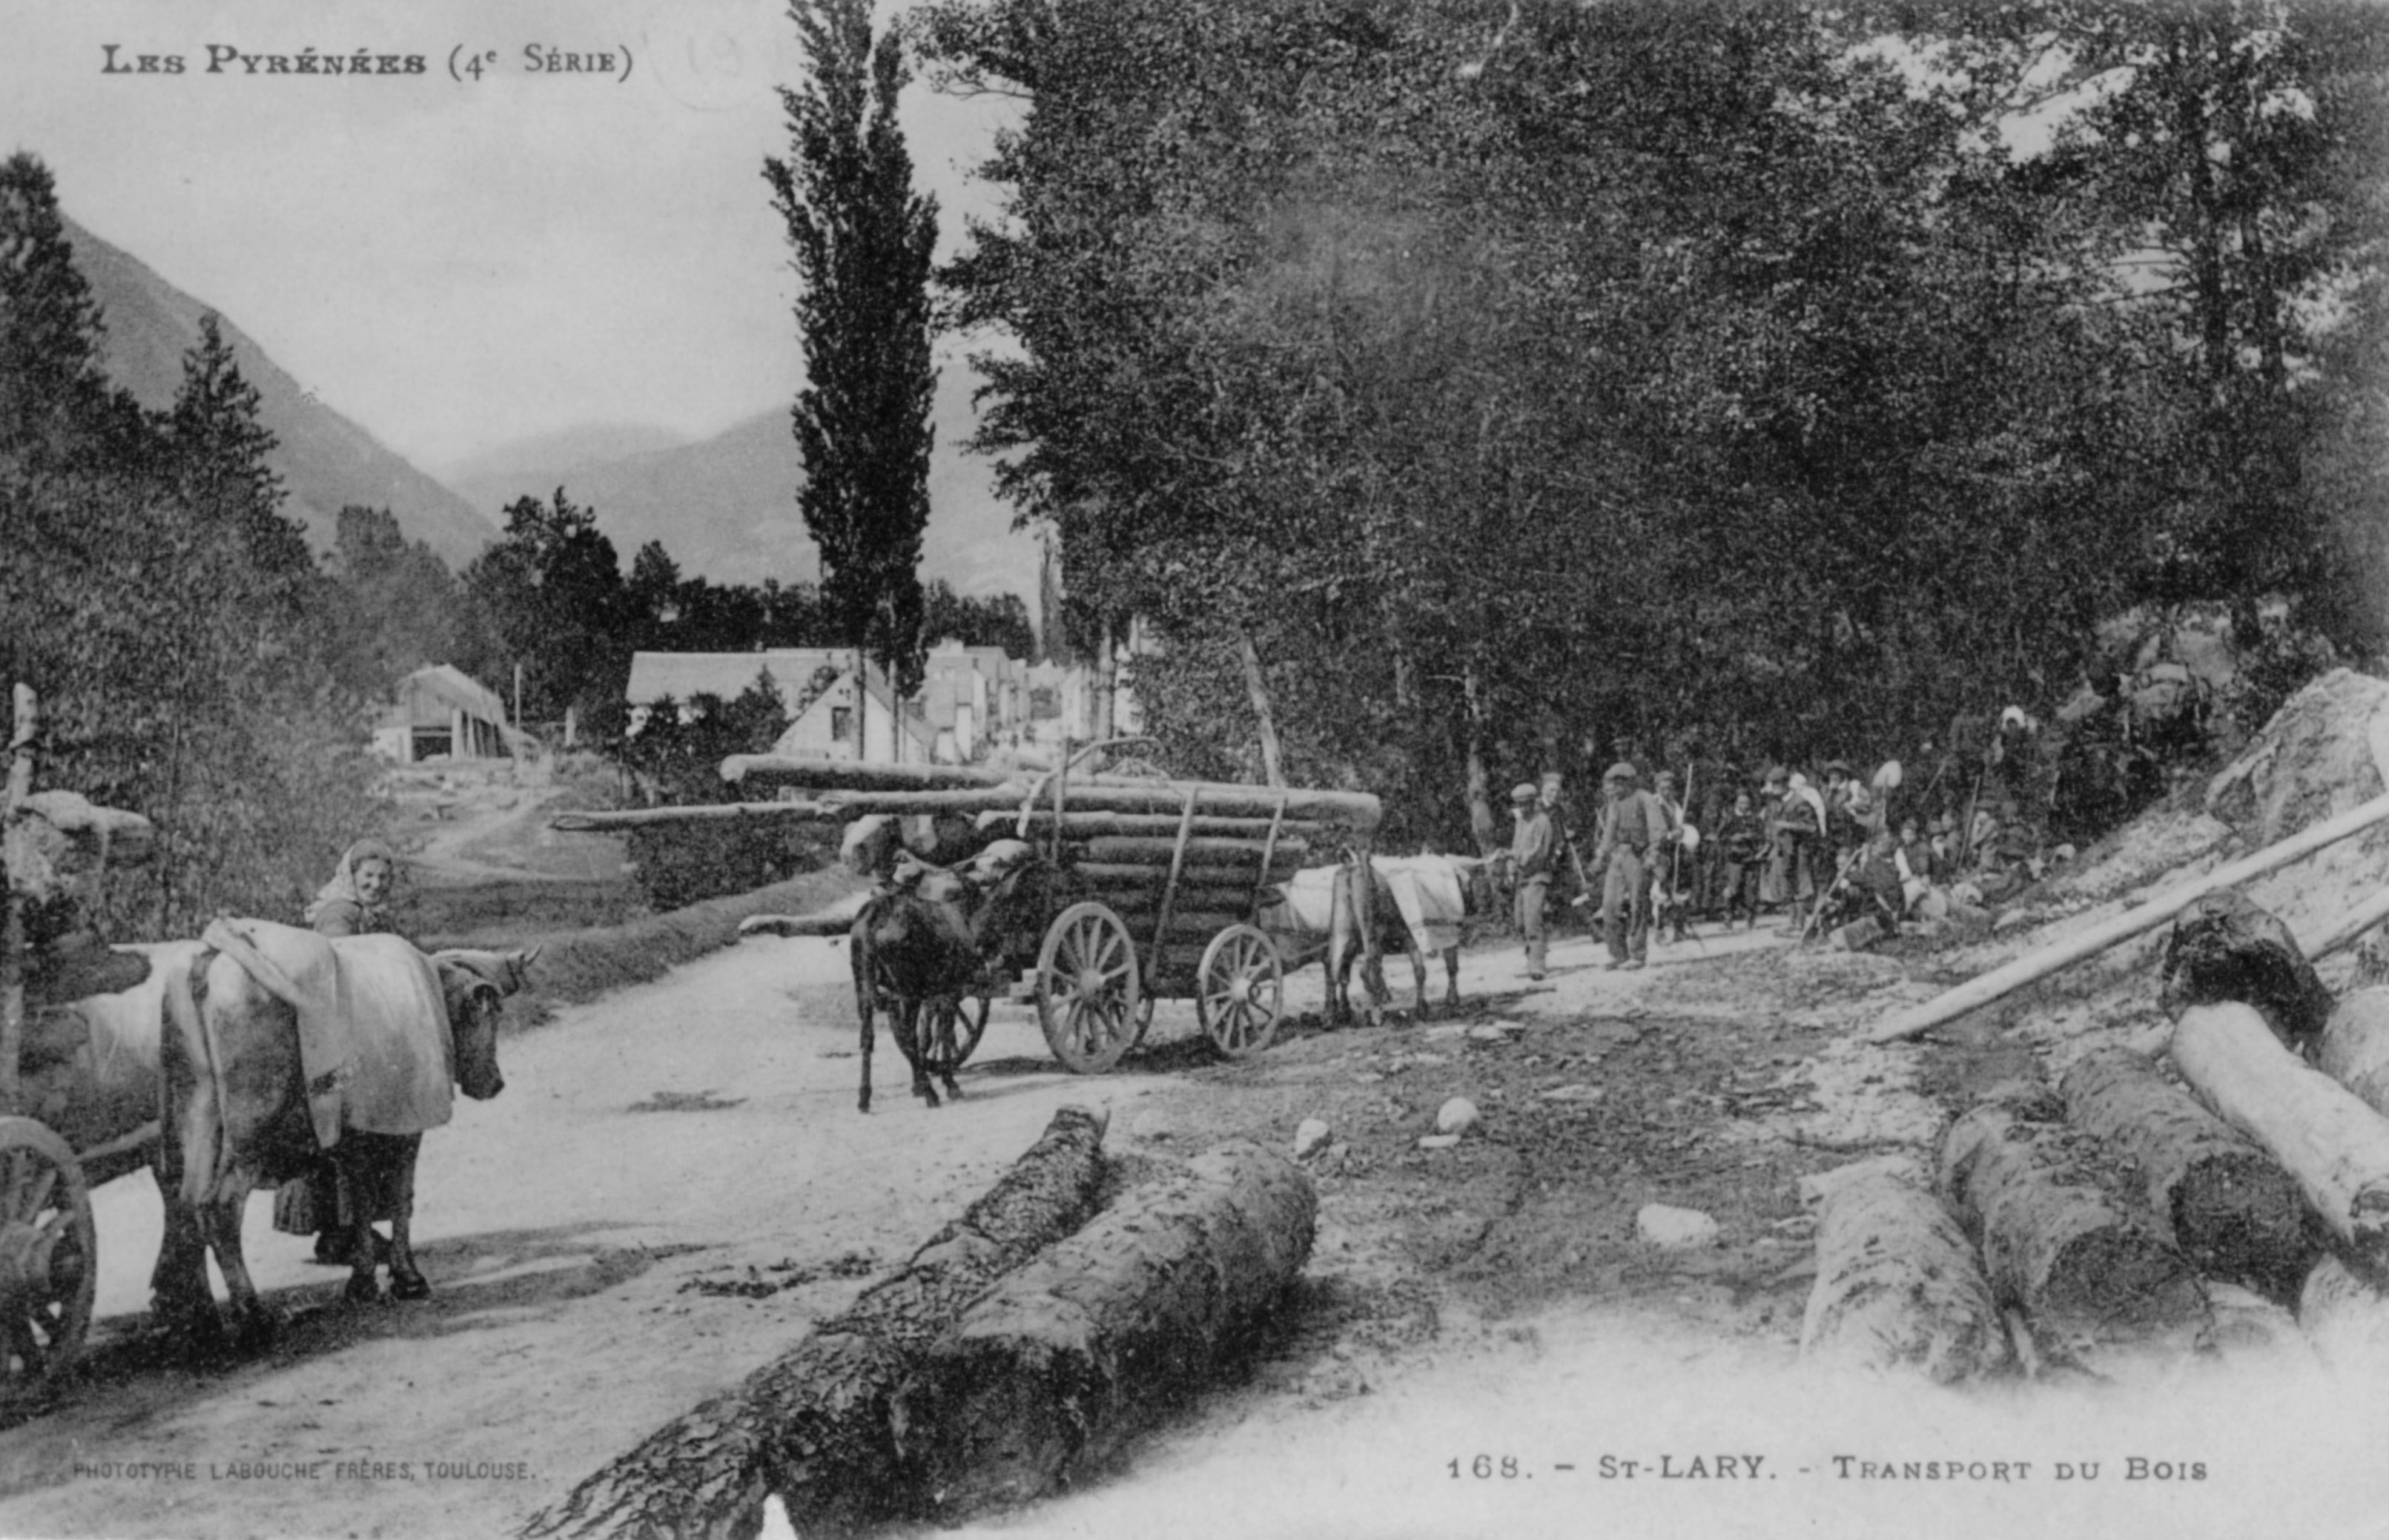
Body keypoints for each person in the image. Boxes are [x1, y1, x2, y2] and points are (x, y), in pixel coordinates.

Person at [277, 838, 406, 1266]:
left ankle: (344, 1229)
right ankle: (346, 1230)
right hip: (333, 1039)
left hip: (344, 1033)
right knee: (354, 1129)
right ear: (351, 877)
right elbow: (338, 970)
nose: (376, 884)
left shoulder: (363, 913)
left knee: (350, 1131)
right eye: (368, 877)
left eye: (384, 878)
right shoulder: (339, 915)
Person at [1593, 762, 1670, 971]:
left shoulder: (1644, 798)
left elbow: (1658, 830)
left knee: (1638, 905)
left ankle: (1637, 954)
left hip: (1638, 856)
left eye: (1618, 783)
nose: (1614, 788)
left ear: (1628, 782)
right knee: (1610, 905)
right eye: (1612, 783)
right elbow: (1609, 832)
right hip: (1619, 855)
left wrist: (1653, 856)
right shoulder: (1615, 803)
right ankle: (1617, 954)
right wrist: (1601, 855)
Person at [1503, 782, 1557, 979]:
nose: (1523, 808)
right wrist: (1510, 865)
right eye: (1519, 805)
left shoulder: (1542, 821)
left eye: (1526, 804)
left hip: (1537, 876)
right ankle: (1532, 956)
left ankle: (1538, 964)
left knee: (1533, 921)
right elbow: (1516, 844)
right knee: (1520, 922)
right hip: (1521, 877)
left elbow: (1537, 854)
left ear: (1534, 802)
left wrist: (1514, 855)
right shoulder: (1521, 822)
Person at [1717, 789, 1769, 929]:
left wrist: (1757, 846)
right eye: (1741, 802)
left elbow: (1763, 837)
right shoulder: (1729, 818)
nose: (1744, 805)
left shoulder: (1755, 819)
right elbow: (1720, 837)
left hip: (1751, 858)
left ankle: (1750, 919)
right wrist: (1734, 838)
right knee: (1731, 889)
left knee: (1750, 890)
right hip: (1734, 858)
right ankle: (1728, 918)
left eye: (1747, 802)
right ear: (1736, 803)